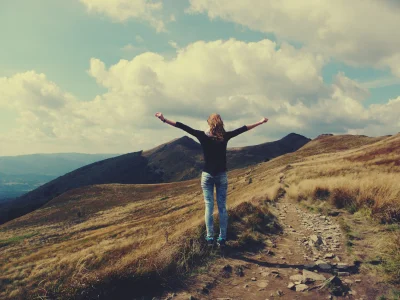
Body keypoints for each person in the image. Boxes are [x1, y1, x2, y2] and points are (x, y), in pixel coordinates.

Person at [154, 112, 268, 248]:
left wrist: (163, 119)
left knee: (209, 206)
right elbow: (243, 129)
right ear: (221, 123)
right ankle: (222, 238)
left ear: (209, 123)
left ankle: (209, 238)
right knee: (222, 207)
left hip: (207, 175)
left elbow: (182, 126)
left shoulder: (202, 136)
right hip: (221, 175)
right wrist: (260, 122)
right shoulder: (225, 136)